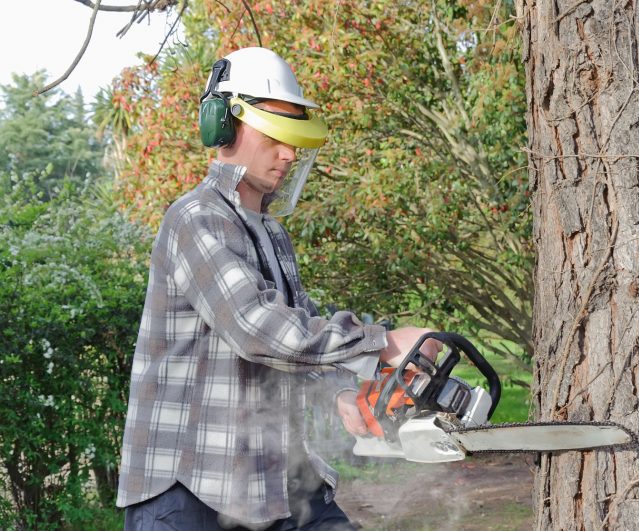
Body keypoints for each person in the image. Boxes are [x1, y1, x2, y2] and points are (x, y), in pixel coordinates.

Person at [116, 47, 441, 530]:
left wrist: (341, 393)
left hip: (271, 482)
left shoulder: (270, 232)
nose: (289, 154)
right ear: (224, 123)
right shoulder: (195, 219)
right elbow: (256, 328)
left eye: (295, 139)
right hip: (188, 491)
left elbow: (294, 338)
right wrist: (384, 342)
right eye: (276, 136)